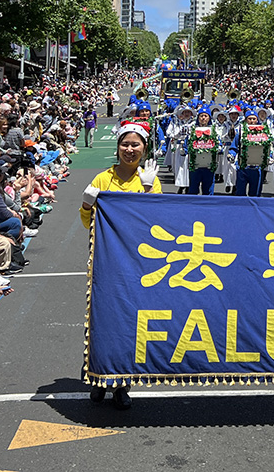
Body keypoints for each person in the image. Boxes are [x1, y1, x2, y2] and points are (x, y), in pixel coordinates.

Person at [80, 121, 160, 408]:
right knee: (100, 319)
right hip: (106, 259)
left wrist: (149, 191)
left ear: (144, 149)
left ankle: (121, 384)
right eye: (125, 144)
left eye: (135, 145)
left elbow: (155, 223)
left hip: (138, 263)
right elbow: (88, 223)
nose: (129, 149)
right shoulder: (103, 178)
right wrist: (87, 205)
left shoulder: (149, 178)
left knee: (128, 321)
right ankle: (95, 377)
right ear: (117, 148)